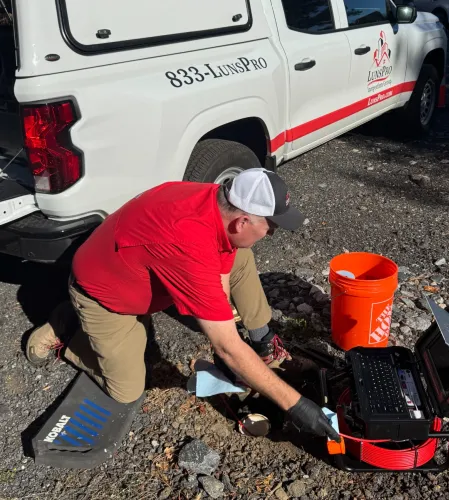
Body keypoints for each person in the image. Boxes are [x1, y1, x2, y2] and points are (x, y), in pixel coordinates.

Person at [26, 168, 340, 442]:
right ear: (242, 221)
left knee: (241, 255)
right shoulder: (189, 242)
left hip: (136, 270)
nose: (272, 232)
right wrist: (296, 405)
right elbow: (227, 347)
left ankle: (263, 343)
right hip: (103, 295)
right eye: (270, 226)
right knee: (127, 390)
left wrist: (222, 319)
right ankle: (67, 328)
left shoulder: (217, 202)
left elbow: (220, 268)